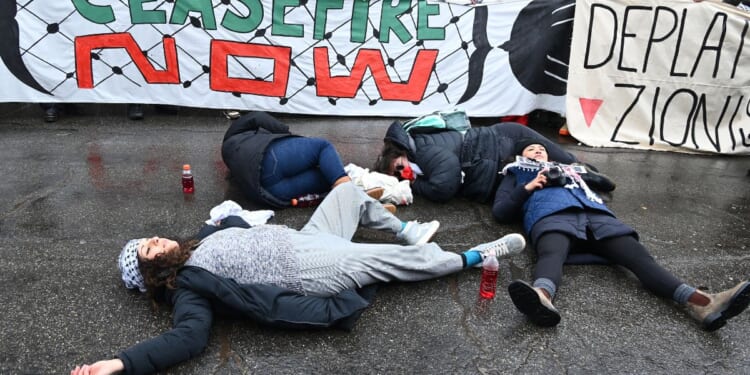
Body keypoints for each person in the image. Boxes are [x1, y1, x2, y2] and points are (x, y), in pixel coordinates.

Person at [70, 181, 526, 375]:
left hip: (303, 239)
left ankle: (408, 231)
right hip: (308, 269)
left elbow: (229, 220)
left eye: (150, 237)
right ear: (153, 272)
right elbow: (187, 339)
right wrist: (121, 363)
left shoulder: (195, 243)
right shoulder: (186, 286)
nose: (154, 239)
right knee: (386, 262)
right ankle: (471, 257)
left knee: (347, 192)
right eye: (148, 249)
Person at [491, 138, 750, 330]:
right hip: (551, 215)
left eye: (542, 148)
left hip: (597, 215)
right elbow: (501, 211)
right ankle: (541, 297)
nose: (538, 150)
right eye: (531, 149)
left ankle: (704, 303)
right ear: (521, 155)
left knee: (639, 259)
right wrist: (529, 186)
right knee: (552, 253)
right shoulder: (515, 172)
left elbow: (608, 184)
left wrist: (579, 168)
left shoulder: (571, 169)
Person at [372, 119, 614, 205]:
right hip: (492, 158)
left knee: (559, 158)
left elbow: (445, 183)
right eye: (399, 175)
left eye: (399, 168)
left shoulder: (421, 151)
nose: (404, 175)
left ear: (400, 154)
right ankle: (583, 182)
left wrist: (414, 185)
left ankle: (588, 175)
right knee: (539, 177)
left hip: (501, 142)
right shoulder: (417, 156)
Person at [223, 111, 391, 209]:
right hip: (268, 157)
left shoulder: (231, 156)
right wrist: (285, 132)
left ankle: (358, 207)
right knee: (322, 148)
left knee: (329, 177)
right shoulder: (234, 133)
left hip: (269, 191)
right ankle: (354, 199)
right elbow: (257, 117)